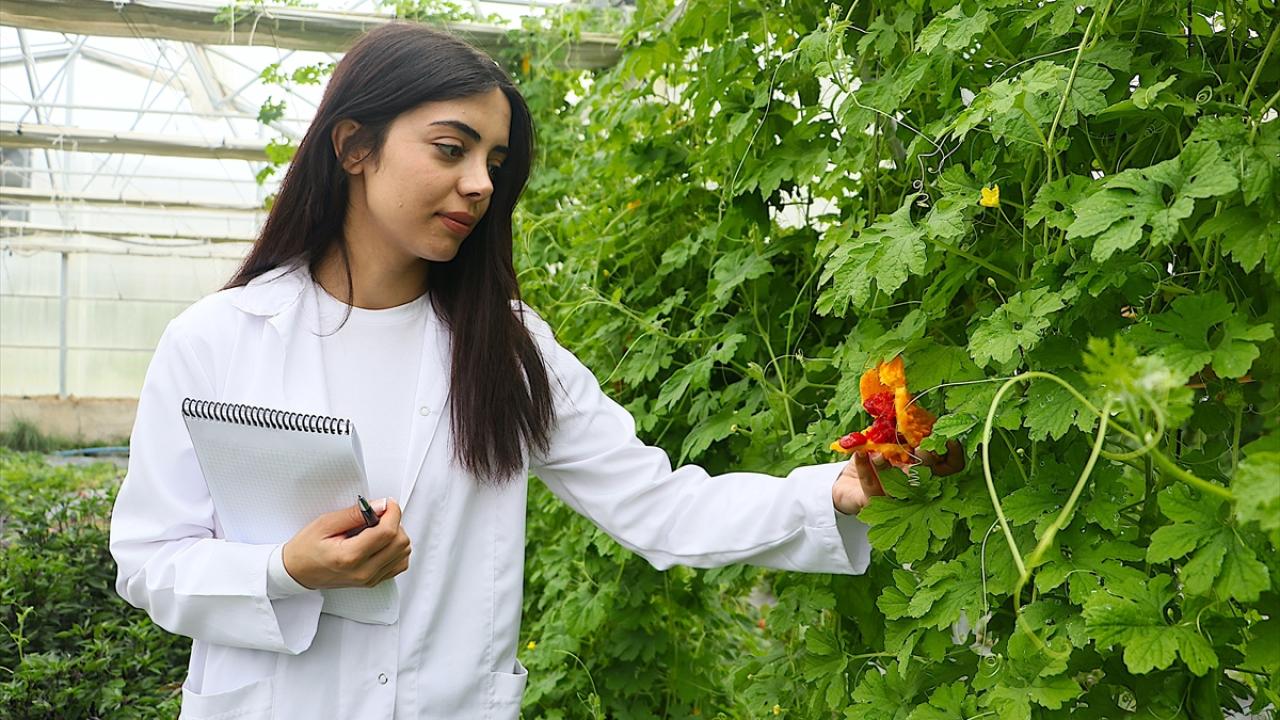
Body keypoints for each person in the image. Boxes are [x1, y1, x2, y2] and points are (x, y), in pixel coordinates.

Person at [109, 22, 963, 720]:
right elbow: (149, 561)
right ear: (353, 145)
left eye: (494, 162)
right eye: (451, 149)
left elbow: (660, 505)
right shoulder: (219, 340)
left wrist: (832, 493)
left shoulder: (507, 348)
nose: (480, 184)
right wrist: (285, 571)